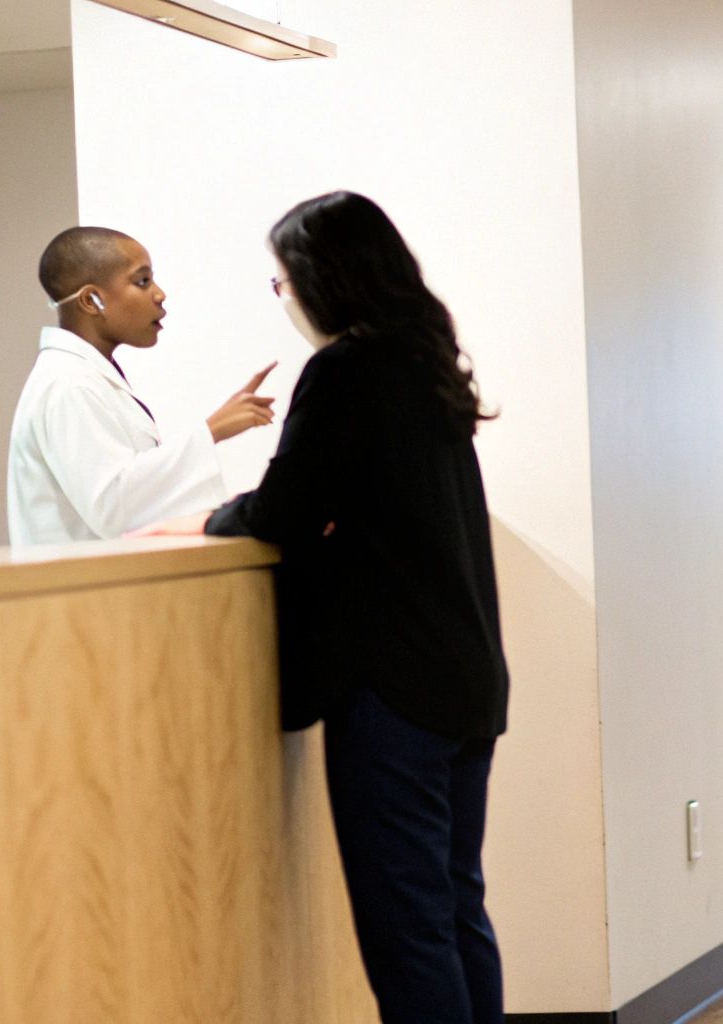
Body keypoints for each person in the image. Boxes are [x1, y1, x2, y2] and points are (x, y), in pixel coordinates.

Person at [135, 192, 511, 1024]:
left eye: (282, 281)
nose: (284, 298)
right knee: (454, 909)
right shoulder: (426, 362)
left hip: (394, 696)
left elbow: (284, 513)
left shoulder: (346, 370)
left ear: (322, 279)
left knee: (407, 930)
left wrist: (208, 519)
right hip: (466, 678)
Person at [7, 226, 278, 545]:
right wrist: (211, 431)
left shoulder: (87, 375)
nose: (160, 294)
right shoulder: (67, 383)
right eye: (142, 281)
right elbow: (112, 508)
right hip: (79, 590)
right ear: (91, 300)